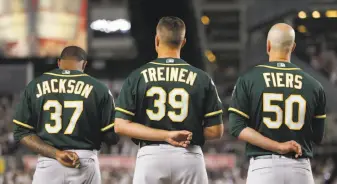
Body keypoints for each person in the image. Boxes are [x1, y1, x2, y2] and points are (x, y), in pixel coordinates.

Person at [114, 16, 224, 184]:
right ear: (183, 42)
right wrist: (184, 134)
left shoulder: (137, 77)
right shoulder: (202, 78)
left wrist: (166, 135)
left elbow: (120, 125)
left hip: (151, 157)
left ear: (157, 40)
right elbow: (216, 130)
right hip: (189, 155)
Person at [228, 23, 326, 184]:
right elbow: (317, 136)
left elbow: (236, 127)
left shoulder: (249, 79)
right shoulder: (315, 85)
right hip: (300, 169)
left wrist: (278, 145)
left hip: (263, 167)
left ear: (268, 45)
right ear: (292, 47)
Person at [13, 46, 119, 184]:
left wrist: (56, 154)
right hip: (84, 161)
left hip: (49, 161)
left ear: (58, 62)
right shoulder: (100, 89)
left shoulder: (34, 86)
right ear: (84, 64)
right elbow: (112, 137)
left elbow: (21, 132)